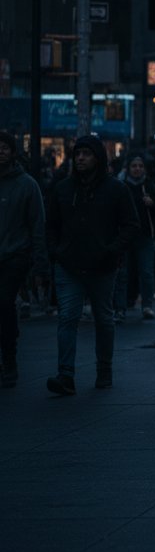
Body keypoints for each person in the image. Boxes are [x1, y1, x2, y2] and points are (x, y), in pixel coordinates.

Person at [44, 135, 139, 394]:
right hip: (69, 264)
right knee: (68, 318)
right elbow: (50, 225)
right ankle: (66, 374)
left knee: (104, 319)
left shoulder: (115, 189)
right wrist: (56, 251)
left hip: (102, 266)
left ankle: (104, 369)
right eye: (78, 154)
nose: (81, 158)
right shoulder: (63, 189)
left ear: (98, 158)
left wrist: (111, 251)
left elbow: (131, 225)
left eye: (87, 154)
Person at [0, 131, 46, 388]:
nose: (0, 152)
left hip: (14, 255)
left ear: (12, 152)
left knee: (4, 303)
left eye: (4, 148)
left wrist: (40, 264)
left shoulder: (26, 185)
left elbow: (37, 225)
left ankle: (9, 358)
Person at [117, 152, 155, 322]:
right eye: (134, 166)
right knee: (122, 274)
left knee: (146, 272)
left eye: (140, 166)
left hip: (145, 236)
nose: (137, 169)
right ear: (128, 169)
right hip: (124, 237)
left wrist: (152, 204)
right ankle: (120, 308)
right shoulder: (122, 186)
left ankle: (147, 305)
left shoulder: (150, 186)